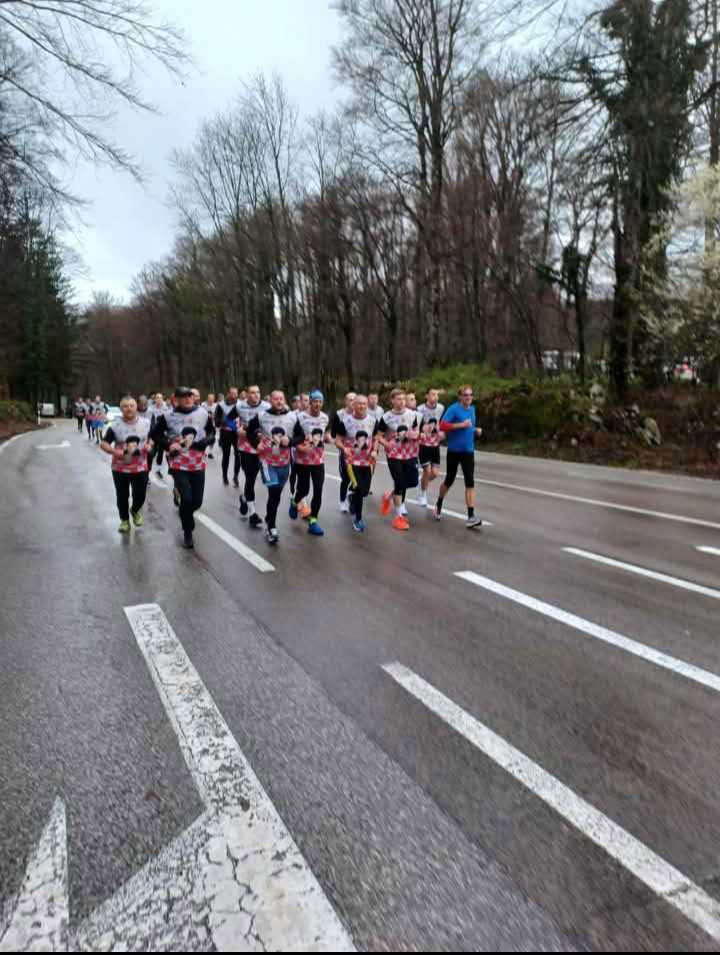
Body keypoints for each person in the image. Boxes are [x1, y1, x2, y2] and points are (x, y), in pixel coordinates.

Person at [150, 386, 215, 549]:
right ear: (176, 399)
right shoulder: (168, 416)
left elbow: (212, 433)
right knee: (186, 498)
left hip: (198, 462)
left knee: (197, 502)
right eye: (183, 397)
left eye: (190, 396)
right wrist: (168, 444)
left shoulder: (203, 413)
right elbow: (155, 434)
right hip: (178, 462)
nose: (187, 399)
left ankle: (185, 513)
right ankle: (188, 532)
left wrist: (204, 442)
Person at [247, 390, 297, 545]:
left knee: (277, 494)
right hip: (267, 462)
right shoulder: (262, 416)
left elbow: (300, 436)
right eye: (276, 399)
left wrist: (291, 441)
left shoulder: (292, 416)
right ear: (270, 400)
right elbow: (249, 431)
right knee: (273, 491)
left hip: (284, 462)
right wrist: (256, 444)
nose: (279, 401)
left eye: (281, 398)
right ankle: (271, 527)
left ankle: (269, 517)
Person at [100, 396, 152, 533]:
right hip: (120, 468)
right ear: (121, 409)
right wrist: (116, 452)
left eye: (131, 406)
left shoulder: (146, 423)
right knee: (122, 496)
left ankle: (134, 510)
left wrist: (150, 445)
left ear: (136, 407)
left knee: (140, 495)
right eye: (125, 406)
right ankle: (124, 520)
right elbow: (104, 443)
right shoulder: (115, 425)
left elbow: (151, 438)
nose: (129, 409)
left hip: (140, 467)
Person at [435, 384, 484, 528]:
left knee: (470, 482)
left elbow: (469, 427)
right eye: (465, 395)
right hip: (454, 451)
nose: (468, 397)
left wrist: (475, 430)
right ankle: (439, 503)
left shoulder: (472, 409)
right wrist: (461, 425)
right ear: (460, 397)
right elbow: (443, 425)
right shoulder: (453, 409)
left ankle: (471, 516)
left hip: (468, 451)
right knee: (449, 480)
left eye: (470, 395)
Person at [334, 394, 379, 533]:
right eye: (359, 403)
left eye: (364, 404)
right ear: (354, 405)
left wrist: (375, 450)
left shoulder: (373, 421)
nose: (362, 406)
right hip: (351, 462)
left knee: (365, 491)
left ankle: (351, 496)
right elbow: (337, 440)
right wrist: (344, 448)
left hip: (367, 461)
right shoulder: (345, 421)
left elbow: (376, 438)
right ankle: (358, 519)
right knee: (359, 489)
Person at [378, 389, 420, 531]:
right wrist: (386, 444)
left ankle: (389, 496)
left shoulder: (412, 414)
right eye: (398, 399)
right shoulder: (386, 417)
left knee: (413, 481)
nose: (402, 402)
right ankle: (398, 517)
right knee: (400, 483)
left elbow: (416, 431)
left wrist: (414, 434)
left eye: (403, 399)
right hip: (394, 455)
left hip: (410, 453)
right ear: (392, 401)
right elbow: (378, 436)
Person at [228, 385, 269, 528]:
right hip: (245, 447)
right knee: (250, 478)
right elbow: (227, 419)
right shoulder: (240, 406)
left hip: (261, 447)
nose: (256, 395)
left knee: (262, 480)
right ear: (247, 395)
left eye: (258, 392)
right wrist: (236, 429)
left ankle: (245, 498)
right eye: (252, 392)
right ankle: (253, 514)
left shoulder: (266, 406)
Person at [290, 390, 329, 536]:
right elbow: (293, 438)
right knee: (303, 490)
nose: (317, 404)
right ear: (310, 402)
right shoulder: (300, 418)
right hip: (303, 461)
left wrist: (328, 438)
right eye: (315, 401)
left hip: (318, 460)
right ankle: (295, 502)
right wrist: (300, 447)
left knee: (318, 490)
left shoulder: (325, 417)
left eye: (320, 401)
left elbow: (325, 433)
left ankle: (313, 521)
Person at [417, 388, 445, 507]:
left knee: (434, 473)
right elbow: (415, 425)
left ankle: (421, 481)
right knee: (427, 471)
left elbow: (442, 423)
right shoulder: (420, 409)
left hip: (435, 444)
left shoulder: (441, 408)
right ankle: (423, 494)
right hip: (423, 444)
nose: (435, 396)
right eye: (433, 394)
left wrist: (442, 432)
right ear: (427, 396)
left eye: (437, 394)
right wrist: (420, 432)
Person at [330, 391, 356, 513]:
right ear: (345, 402)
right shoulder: (340, 414)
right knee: (346, 478)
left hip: (359, 452)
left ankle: (351, 493)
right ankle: (342, 501)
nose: (353, 402)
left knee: (359, 478)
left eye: (355, 399)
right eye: (350, 400)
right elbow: (333, 433)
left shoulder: (361, 414)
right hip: (345, 450)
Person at [214, 387, 241, 487]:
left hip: (237, 433)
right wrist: (227, 422)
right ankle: (224, 475)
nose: (234, 396)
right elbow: (216, 421)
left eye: (236, 394)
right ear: (228, 394)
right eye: (232, 394)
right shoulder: (221, 405)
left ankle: (236, 476)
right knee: (226, 455)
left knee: (238, 455)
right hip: (225, 434)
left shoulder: (240, 405)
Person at [148, 392, 168, 476]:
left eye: (160, 398)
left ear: (162, 399)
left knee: (161, 451)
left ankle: (158, 470)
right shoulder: (150, 409)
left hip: (162, 433)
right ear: (155, 399)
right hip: (153, 433)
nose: (159, 399)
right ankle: (148, 470)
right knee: (151, 452)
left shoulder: (166, 408)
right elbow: (148, 422)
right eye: (157, 398)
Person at [203, 393, 218, 458]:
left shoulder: (216, 405)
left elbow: (218, 415)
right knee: (204, 438)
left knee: (212, 439)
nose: (211, 400)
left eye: (212, 399)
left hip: (212, 425)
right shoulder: (203, 405)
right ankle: (203, 452)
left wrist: (214, 417)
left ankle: (210, 452)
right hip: (204, 425)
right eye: (210, 398)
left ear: (214, 399)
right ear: (207, 399)